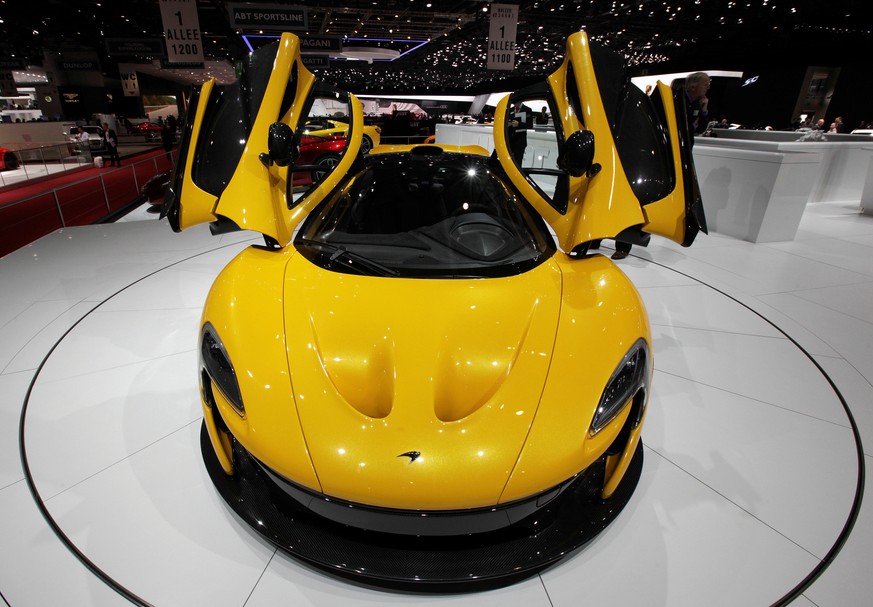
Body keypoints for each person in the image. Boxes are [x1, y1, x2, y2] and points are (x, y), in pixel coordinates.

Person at [684, 72, 711, 136]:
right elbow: (681, 128)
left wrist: (704, 111)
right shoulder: (679, 101)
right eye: (705, 85)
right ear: (693, 87)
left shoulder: (697, 103)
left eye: (708, 85)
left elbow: (700, 129)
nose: (708, 88)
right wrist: (693, 126)